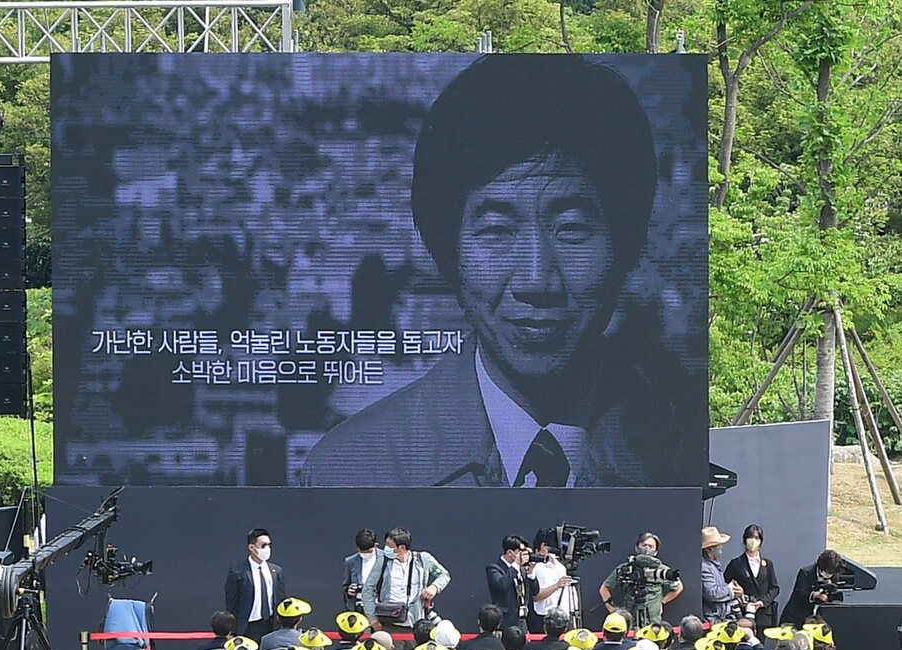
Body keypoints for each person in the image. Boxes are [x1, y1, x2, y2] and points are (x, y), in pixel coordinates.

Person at [300, 55, 700, 489]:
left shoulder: (682, 455)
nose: (535, 280)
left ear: (626, 245)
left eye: (571, 229)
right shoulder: (355, 472)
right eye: (496, 231)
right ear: (446, 250)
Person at [361, 527, 450, 637]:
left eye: (390, 546)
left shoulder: (423, 559)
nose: (386, 548)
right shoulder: (383, 561)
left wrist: (435, 587)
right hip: (388, 623)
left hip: (415, 623)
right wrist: (372, 618)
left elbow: (444, 575)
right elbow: (368, 589)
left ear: (402, 547)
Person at [599, 532, 683, 626]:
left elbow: (678, 587)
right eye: (643, 545)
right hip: (629, 622)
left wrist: (662, 602)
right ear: (636, 548)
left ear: (656, 552)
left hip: (652, 622)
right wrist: (613, 610)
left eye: (650, 546)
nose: (647, 549)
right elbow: (604, 588)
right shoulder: (625, 568)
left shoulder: (662, 570)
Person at [225, 529, 287, 641]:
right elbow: (231, 604)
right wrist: (231, 630)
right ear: (251, 547)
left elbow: (281, 599)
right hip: (248, 627)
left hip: (271, 627)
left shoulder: (276, 571)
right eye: (263, 545)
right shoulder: (237, 571)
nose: (267, 549)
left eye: (269, 545)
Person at [722, 525, 780, 631]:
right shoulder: (736, 563)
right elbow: (724, 586)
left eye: (757, 538)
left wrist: (762, 602)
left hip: (763, 615)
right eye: (750, 537)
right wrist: (738, 598)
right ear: (744, 540)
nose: (753, 541)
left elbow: (775, 588)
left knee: (759, 645)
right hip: (742, 615)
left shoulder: (767, 564)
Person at [529, 529, 579, 632]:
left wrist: (573, 621)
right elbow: (536, 596)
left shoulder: (561, 567)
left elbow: (568, 595)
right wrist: (557, 585)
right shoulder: (536, 567)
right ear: (544, 546)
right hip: (544, 619)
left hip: (565, 618)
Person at [779, 550, 845, 628]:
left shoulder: (834, 575)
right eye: (828, 571)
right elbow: (800, 594)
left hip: (818, 621)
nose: (830, 574)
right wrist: (816, 595)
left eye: (832, 572)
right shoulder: (806, 573)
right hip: (796, 618)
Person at [487, 535, 540, 631]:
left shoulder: (522, 569)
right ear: (510, 553)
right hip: (505, 622)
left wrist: (531, 574)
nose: (524, 555)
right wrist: (515, 565)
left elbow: (535, 591)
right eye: (521, 552)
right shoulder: (494, 568)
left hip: (522, 621)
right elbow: (501, 584)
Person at [700, 527, 743, 624]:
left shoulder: (714, 565)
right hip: (712, 619)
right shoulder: (705, 567)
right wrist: (730, 590)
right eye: (717, 545)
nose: (720, 547)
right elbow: (711, 593)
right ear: (708, 549)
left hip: (720, 617)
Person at [343, 530, 381, 612]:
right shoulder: (350, 561)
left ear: (375, 545)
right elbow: (346, 585)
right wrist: (349, 591)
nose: (366, 554)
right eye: (362, 551)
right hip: (360, 606)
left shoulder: (386, 558)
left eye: (369, 551)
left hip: (381, 606)